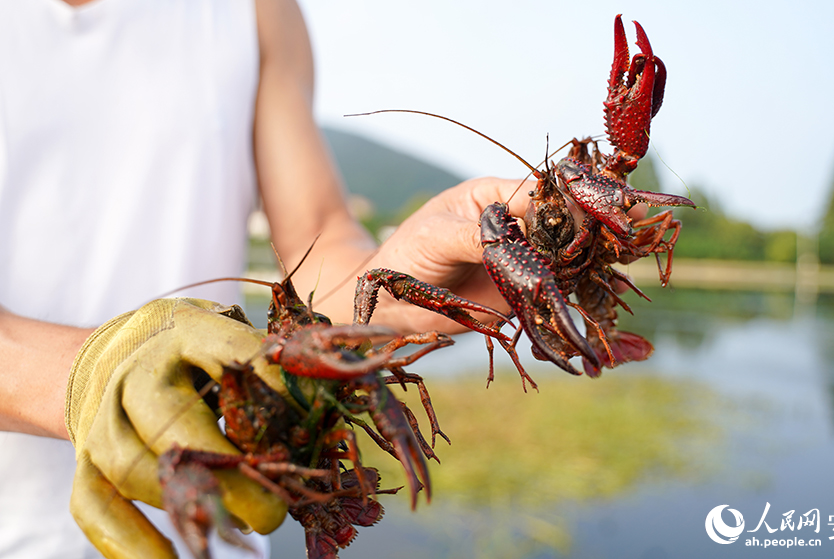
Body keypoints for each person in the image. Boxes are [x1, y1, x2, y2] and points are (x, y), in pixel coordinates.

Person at [0, 0, 535, 557]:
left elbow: (317, 236)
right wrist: (85, 374)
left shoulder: (257, 9)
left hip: (225, 532)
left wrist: (389, 291)